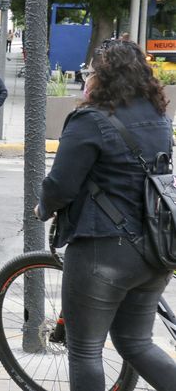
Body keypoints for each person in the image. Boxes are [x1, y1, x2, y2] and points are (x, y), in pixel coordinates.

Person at [36, 40, 176, 391]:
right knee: (136, 343)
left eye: (91, 72)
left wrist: (43, 207)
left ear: (101, 77)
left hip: (104, 251)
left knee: (84, 351)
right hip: (154, 250)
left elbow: (60, 184)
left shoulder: (90, 120)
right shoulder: (158, 117)